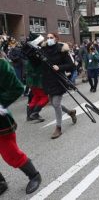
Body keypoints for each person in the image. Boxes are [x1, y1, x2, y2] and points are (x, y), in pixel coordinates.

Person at [0, 54, 42, 195]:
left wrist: (1, 103)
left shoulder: (1, 65)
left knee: (10, 154)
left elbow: (17, 88)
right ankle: (1, 182)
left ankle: (34, 175)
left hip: (0, 121)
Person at [41, 33, 77, 139]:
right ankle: (70, 112)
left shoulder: (62, 49)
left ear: (56, 39)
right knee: (53, 103)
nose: (49, 39)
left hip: (59, 80)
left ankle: (58, 128)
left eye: (51, 38)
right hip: (48, 80)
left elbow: (71, 65)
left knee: (56, 103)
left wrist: (60, 67)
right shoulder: (44, 49)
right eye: (47, 38)